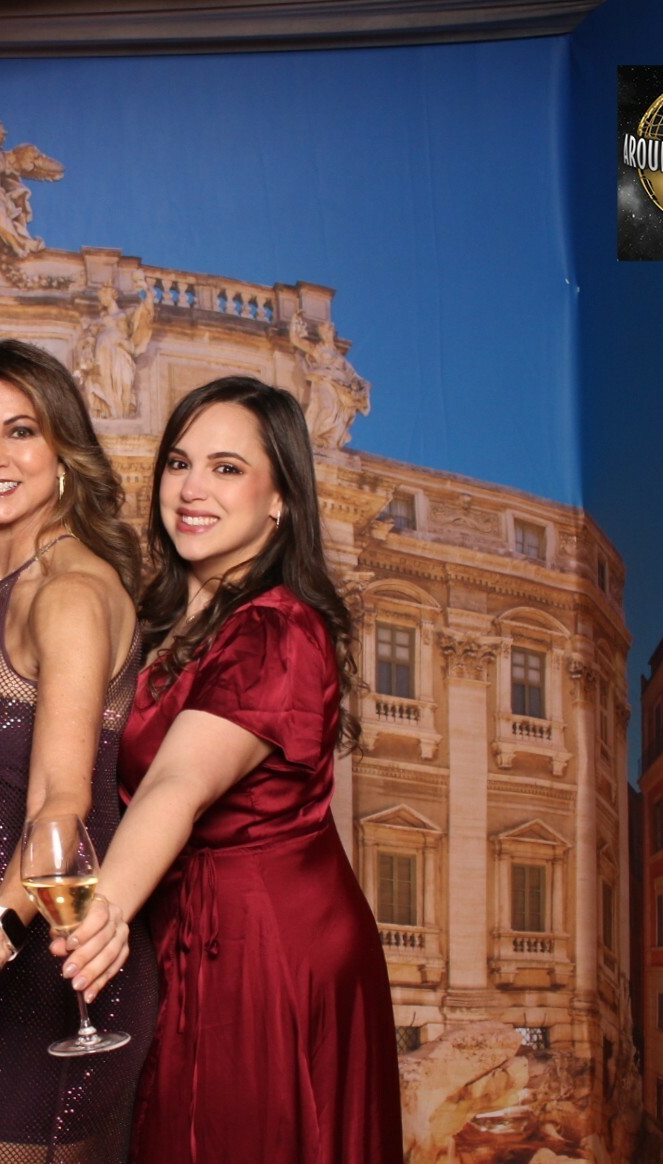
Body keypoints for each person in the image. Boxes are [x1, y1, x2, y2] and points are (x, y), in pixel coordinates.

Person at [54, 375, 404, 1162]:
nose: (191, 489)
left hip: (266, 949)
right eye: (180, 463)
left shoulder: (277, 630)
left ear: (280, 499)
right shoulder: (167, 617)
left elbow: (178, 783)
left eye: (226, 468)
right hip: (189, 933)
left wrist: (102, 913)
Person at [0, 339, 157, 1163]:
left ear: (64, 451)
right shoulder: (0, 592)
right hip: (6, 970)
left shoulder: (68, 592)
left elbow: (59, 800)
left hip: (61, 966)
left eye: (22, 432)